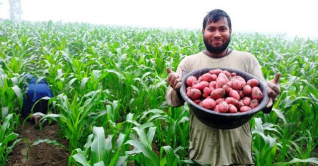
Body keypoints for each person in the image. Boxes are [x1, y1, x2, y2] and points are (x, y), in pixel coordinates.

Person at [165, 9, 280, 166]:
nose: (217, 34)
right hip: (203, 145)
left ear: (230, 31)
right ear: (203, 32)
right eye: (211, 29)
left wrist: (270, 97)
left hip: (238, 146)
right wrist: (176, 88)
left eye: (222, 29)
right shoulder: (189, 63)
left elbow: (263, 102)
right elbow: (173, 101)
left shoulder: (247, 60)